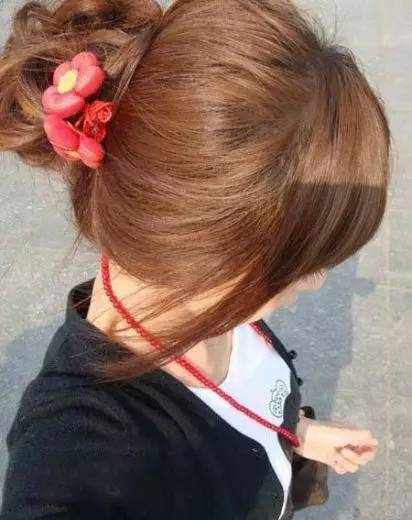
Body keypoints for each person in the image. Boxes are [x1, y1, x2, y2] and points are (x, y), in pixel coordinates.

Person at [0, 0, 390, 518]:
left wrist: (298, 434)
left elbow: (231, 403)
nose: (317, 280)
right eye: (300, 261)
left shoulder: (206, 303)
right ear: (197, 245)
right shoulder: (84, 453)